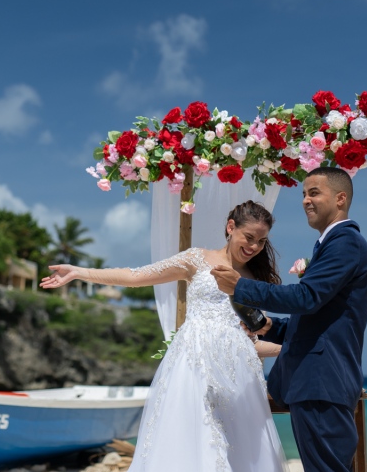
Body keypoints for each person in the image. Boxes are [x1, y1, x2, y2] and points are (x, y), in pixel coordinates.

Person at [40, 200, 287, 472]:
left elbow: (249, 342)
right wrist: (80, 273)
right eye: (249, 237)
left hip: (238, 379)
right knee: (195, 448)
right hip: (194, 369)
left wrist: (284, 348)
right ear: (231, 227)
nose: (254, 247)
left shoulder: (256, 280)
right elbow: (135, 276)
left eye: (261, 242)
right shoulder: (196, 259)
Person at [211, 167, 367, 472]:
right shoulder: (330, 244)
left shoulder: (345, 243)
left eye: (314, 192)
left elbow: (306, 298)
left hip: (322, 381)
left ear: (341, 199)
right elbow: (321, 318)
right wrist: (272, 327)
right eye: (303, 194)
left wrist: (240, 286)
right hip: (314, 384)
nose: (305, 201)